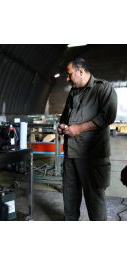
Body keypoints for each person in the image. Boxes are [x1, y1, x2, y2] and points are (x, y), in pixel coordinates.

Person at [57, 57, 117, 221]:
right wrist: (62, 126)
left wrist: (79, 128)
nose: (67, 79)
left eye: (69, 74)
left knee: (94, 200)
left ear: (80, 71)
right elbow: (64, 116)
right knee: (69, 197)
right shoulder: (73, 91)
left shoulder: (103, 89)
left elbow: (107, 117)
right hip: (71, 154)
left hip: (92, 156)